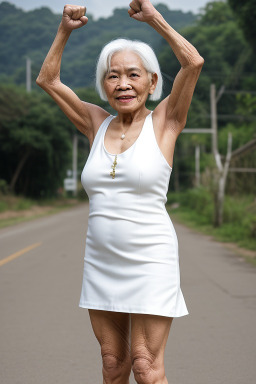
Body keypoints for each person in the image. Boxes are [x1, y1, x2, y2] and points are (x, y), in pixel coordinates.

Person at [36, 1, 204, 383]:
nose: (123, 84)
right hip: (101, 259)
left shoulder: (166, 121)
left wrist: (153, 18)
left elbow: (193, 63)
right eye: (113, 76)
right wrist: (64, 29)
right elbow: (48, 80)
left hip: (150, 258)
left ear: (152, 82)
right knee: (113, 364)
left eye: (133, 75)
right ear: (103, 84)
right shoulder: (95, 122)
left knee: (146, 366)